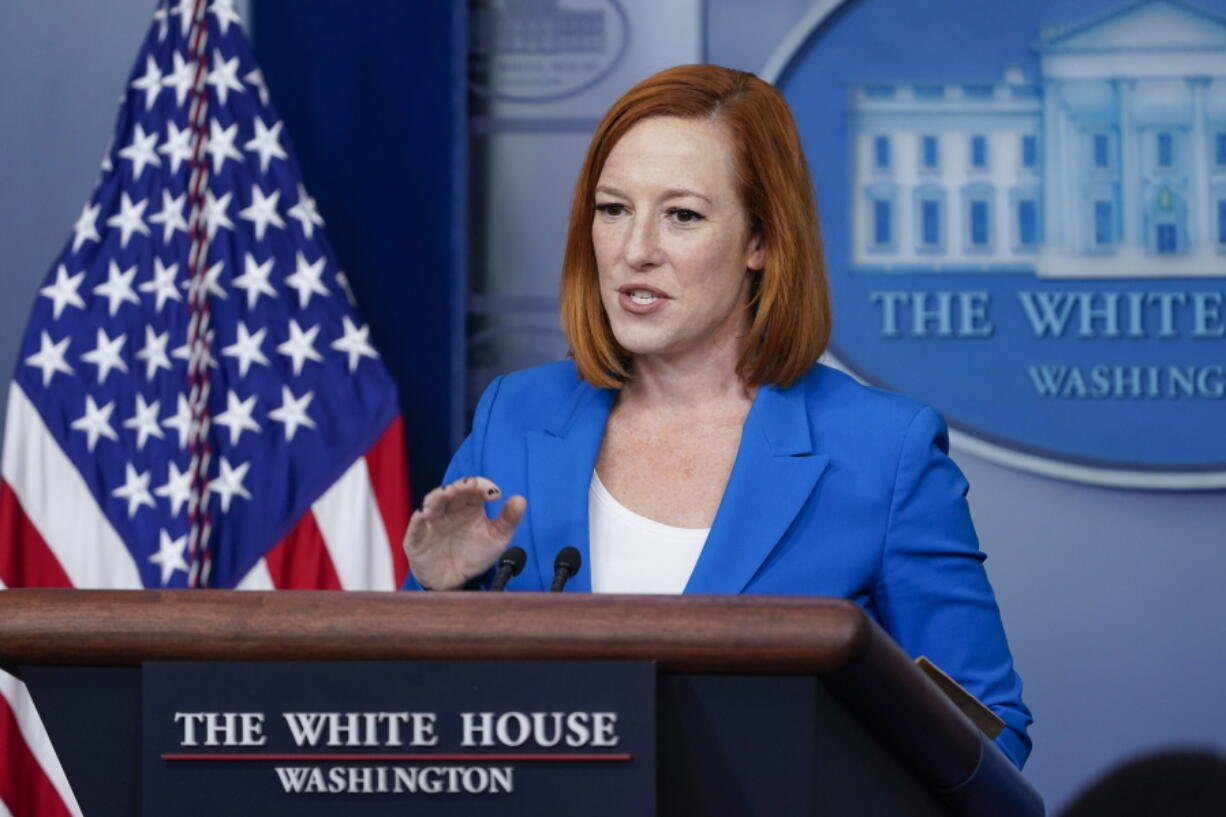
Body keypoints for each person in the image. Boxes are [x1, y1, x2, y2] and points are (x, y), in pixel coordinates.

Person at [401, 64, 1033, 768]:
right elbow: (413, 717)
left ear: (761, 241)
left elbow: (990, 735)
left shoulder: (885, 450)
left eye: (682, 215)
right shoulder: (514, 415)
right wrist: (439, 591)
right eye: (613, 209)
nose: (635, 249)